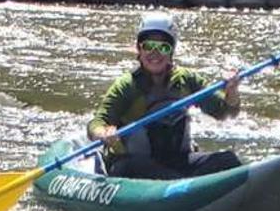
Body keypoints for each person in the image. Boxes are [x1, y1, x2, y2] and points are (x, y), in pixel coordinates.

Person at [85, 12, 243, 180]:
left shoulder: (186, 80)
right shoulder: (127, 86)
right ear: (139, 49)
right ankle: (178, 184)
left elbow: (224, 112)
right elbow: (96, 123)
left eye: (163, 47)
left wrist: (231, 92)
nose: (155, 53)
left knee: (228, 160)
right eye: (148, 46)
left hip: (177, 161)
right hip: (135, 165)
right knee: (135, 166)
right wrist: (103, 133)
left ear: (171, 52)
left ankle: (181, 184)